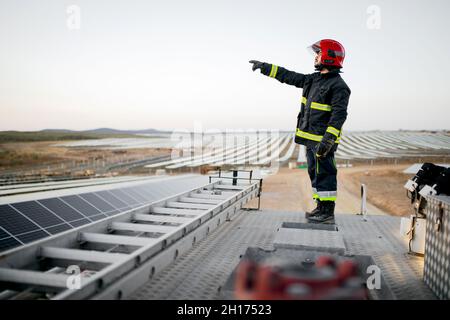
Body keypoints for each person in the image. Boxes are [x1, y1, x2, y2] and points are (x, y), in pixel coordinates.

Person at [249, 39, 351, 224]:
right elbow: (289, 76)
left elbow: (339, 116)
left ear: (329, 57)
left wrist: (328, 140)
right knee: (314, 173)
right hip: (310, 140)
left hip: (322, 142)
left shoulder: (339, 86)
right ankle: (320, 207)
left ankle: (327, 212)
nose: (316, 57)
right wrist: (265, 67)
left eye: (319, 53)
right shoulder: (313, 80)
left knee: (325, 174)